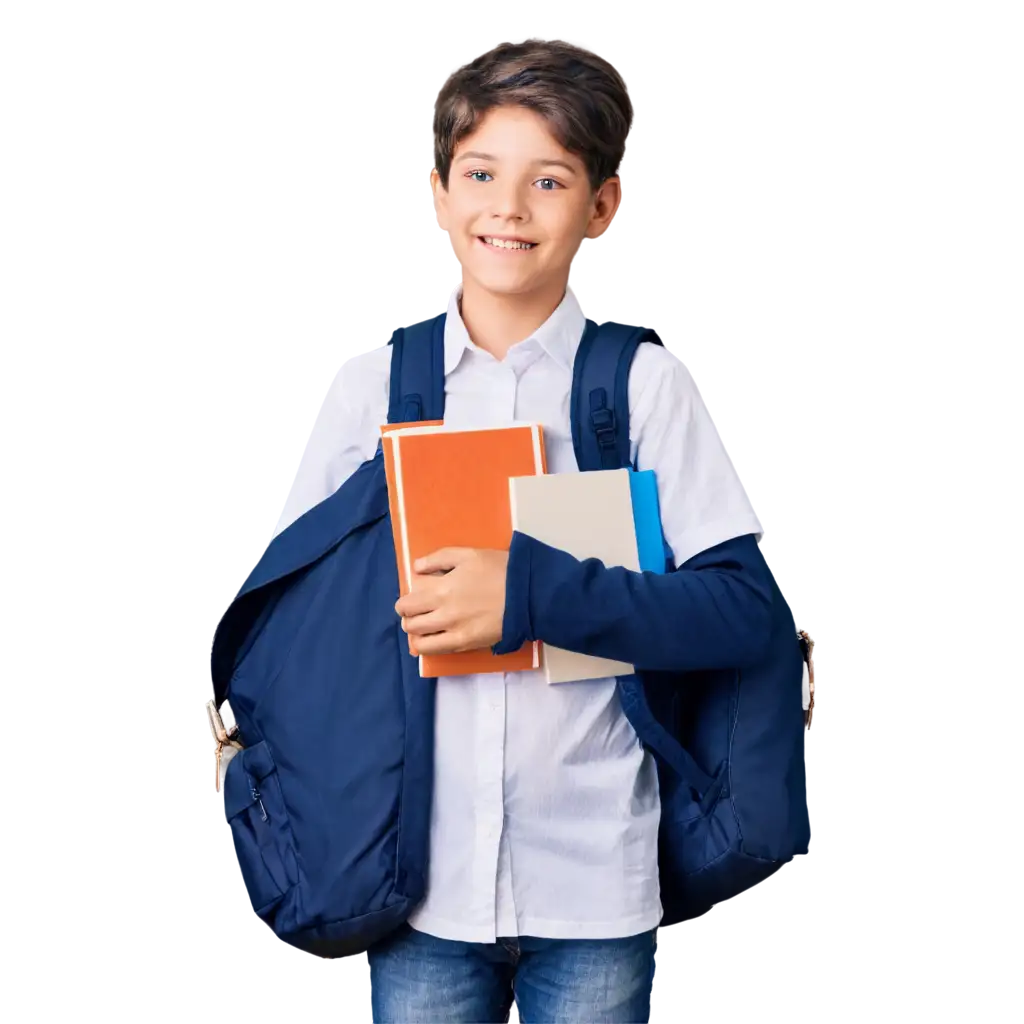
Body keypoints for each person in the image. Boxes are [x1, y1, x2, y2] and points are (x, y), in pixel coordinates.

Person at [272, 38, 767, 1024]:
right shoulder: (368, 386)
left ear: (601, 204)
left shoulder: (640, 389)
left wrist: (529, 590)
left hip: (595, 880)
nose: (508, 206)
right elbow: (288, 621)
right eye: (481, 173)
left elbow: (739, 610)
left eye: (548, 179)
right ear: (437, 193)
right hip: (414, 887)